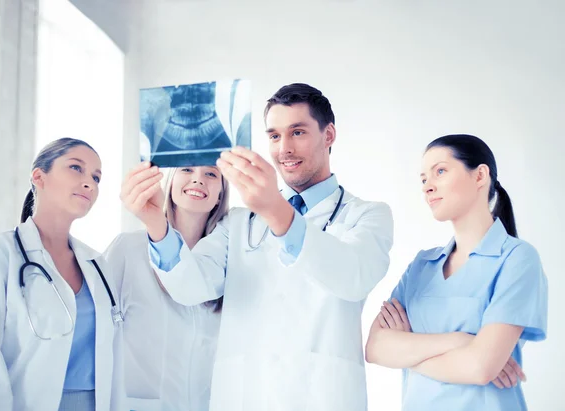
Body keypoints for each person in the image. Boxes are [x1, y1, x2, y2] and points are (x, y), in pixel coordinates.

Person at [123, 83, 394, 410]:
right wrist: (155, 223)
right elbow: (190, 286)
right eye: (275, 136)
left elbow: (353, 277)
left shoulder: (368, 215)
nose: (284, 149)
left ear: (329, 134)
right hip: (244, 398)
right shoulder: (239, 223)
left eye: (298, 132)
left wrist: (276, 211)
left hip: (321, 398)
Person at [365, 134, 548, 410]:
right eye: (423, 179)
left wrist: (407, 350)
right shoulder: (421, 266)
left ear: (479, 176)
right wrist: (461, 341)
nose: (428, 186)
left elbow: (479, 367)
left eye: (440, 171)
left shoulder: (516, 259)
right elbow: (376, 349)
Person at [0, 138, 124, 411]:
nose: (90, 183)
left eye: (96, 177)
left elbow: (114, 359)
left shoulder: (97, 263)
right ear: (39, 176)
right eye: (76, 168)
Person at [104, 165, 229, 411]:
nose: (198, 179)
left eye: (211, 174)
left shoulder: (229, 260)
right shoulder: (128, 250)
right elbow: (97, 333)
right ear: (170, 183)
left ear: (220, 197)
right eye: (187, 169)